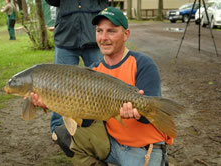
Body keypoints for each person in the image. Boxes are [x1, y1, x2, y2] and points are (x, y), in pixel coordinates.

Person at [31, 7, 172, 166]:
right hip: (110, 143)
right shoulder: (94, 70)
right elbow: (85, 121)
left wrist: (137, 113)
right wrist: (53, 102)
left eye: (111, 31)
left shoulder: (143, 64)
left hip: (141, 147)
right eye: (99, 31)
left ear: (126, 34)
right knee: (64, 135)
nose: (104, 38)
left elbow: (151, 114)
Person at [45, 0, 108, 138]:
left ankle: (105, 127)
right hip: (66, 35)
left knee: (103, 87)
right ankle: (59, 128)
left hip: (93, 36)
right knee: (59, 86)